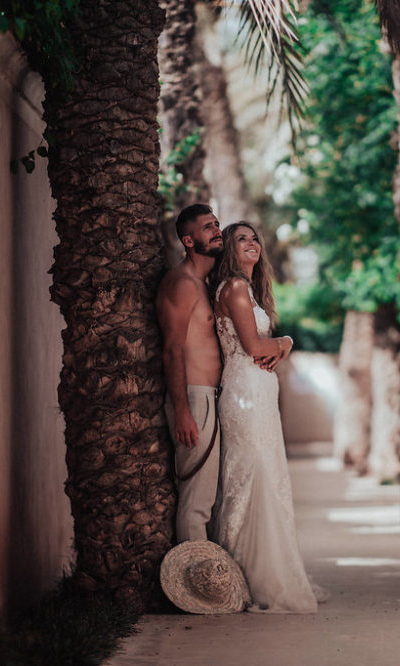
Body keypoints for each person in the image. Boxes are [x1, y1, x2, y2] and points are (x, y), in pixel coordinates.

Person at [211, 221, 319, 613]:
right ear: (228, 250)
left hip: (258, 393)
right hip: (246, 395)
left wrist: (279, 346)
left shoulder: (249, 290)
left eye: (254, 237)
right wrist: (286, 342)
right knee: (250, 476)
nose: (252, 243)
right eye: (241, 239)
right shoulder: (236, 288)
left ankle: (261, 572)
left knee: (264, 475)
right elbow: (255, 347)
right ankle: (246, 576)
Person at [157, 204, 224, 543]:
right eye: (207, 227)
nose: (216, 230)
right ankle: (193, 589)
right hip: (194, 399)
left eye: (216, 223)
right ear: (188, 240)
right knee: (196, 502)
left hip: (210, 399)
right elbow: (171, 350)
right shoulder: (182, 283)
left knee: (208, 500)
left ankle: (209, 581)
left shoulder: (204, 284)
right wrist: (182, 410)